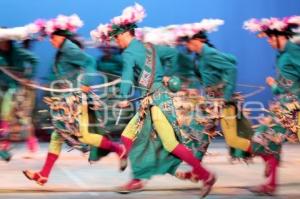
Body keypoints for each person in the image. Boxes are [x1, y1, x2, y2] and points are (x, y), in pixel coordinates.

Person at [91, 4, 215, 198]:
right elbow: (173, 55)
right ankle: (138, 178)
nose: (116, 42)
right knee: (127, 136)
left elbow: (126, 77)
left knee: (169, 144)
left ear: (125, 34)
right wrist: (167, 76)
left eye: (116, 37)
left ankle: (205, 175)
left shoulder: (129, 53)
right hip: (156, 99)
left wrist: (124, 97)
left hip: (155, 104)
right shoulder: (150, 47)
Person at [23, 14, 126, 186]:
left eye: (52, 37)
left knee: (83, 136)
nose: (50, 41)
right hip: (66, 101)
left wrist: (85, 82)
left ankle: (119, 149)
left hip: (75, 100)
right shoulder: (62, 51)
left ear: (61, 36)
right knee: (57, 135)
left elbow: (90, 61)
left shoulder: (69, 48)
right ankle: (43, 175)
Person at [241, 16, 300, 195]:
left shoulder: (293, 51)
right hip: (282, 106)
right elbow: (282, 88)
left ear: (280, 36)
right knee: (269, 142)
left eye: (269, 37)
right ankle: (271, 184)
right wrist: (274, 84)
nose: (267, 41)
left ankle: (270, 181)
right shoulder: (281, 55)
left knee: (261, 139)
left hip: (292, 108)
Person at [0, 26, 39, 161]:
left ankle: (32, 147)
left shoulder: (17, 51)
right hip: (5, 90)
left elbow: (34, 60)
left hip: (20, 89)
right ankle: (4, 148)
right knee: (5, 119)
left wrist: (29, 77)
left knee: (23, 119)